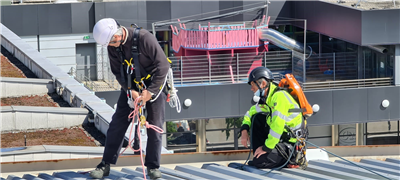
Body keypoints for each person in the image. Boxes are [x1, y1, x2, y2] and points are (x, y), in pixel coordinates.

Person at [90, 18, 169, 179]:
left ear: (117, 36)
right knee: (117, 123)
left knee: (154, 126)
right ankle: (105, 164)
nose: (111, 47)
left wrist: (150, 92)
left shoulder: (144, 38)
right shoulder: (112, 46)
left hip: (155, 84)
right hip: (131, 85)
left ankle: (153, 167)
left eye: (112, 43)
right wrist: (130, 90)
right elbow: (117, 72)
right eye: (109, 45)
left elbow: (163, 66)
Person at [240, 66, 304, 169]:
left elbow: (277, 126)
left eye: (253, 85)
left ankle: (290, 161)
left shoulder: (279, 97)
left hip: (291, 145)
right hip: (280, 141)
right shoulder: (268, 99)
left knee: (260, 163)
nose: (252, 89)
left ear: (263, 84)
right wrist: (244, 131)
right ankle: (260, 156)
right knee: (257, 117)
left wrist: (266, 148)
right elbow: (250, 113)